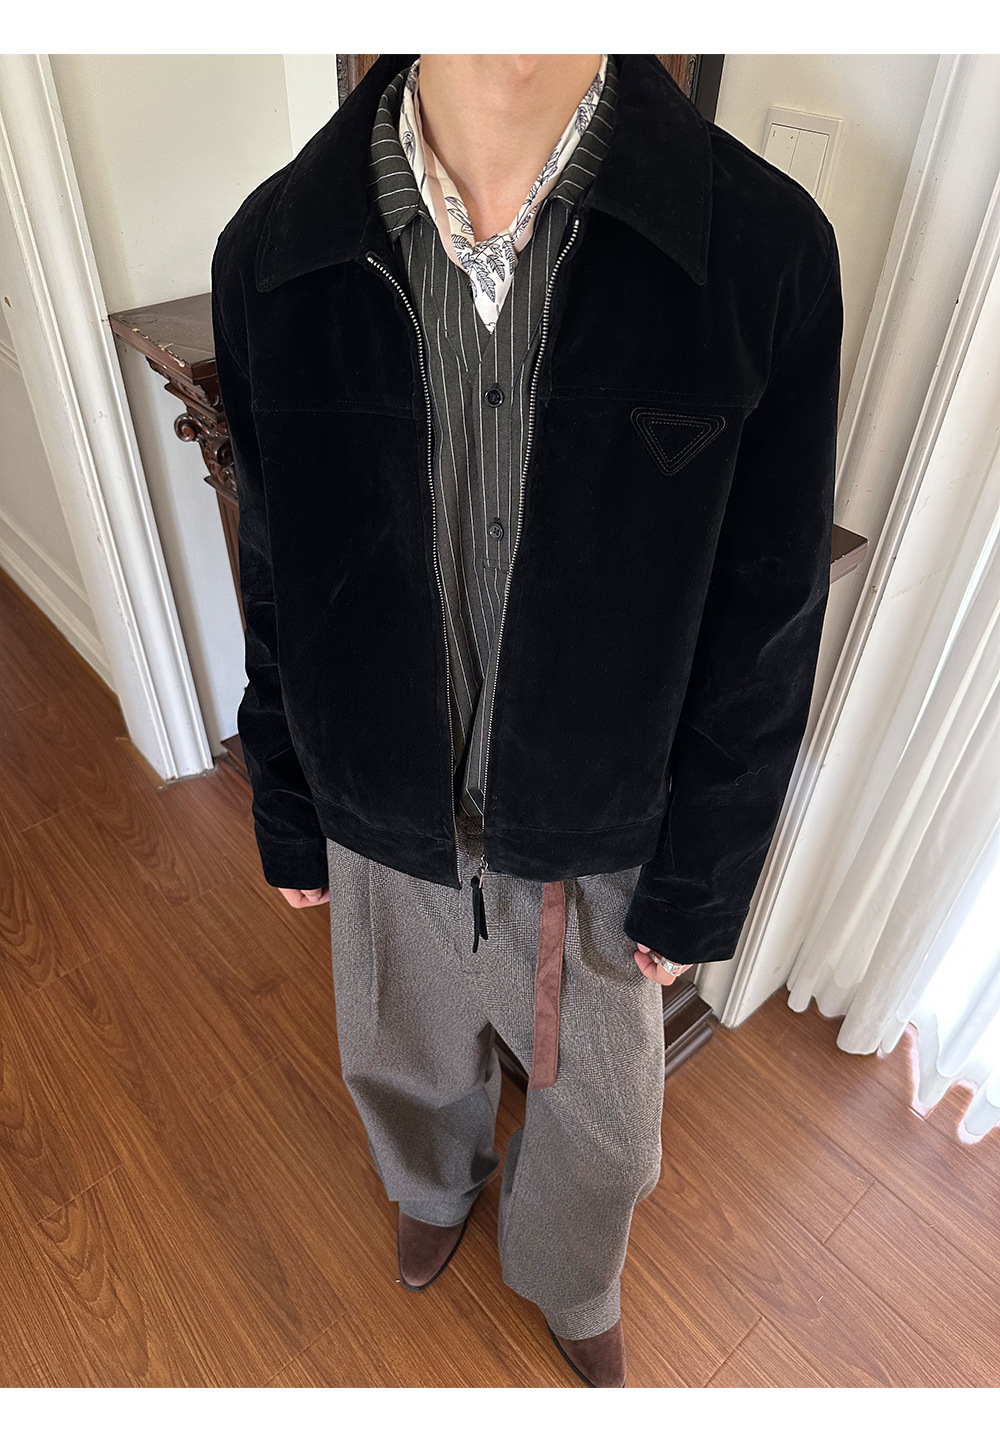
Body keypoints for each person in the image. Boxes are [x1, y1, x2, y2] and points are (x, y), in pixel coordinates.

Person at [211, 52, 842, 1387]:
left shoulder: (763, 249)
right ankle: (431, 1187)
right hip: (380, 798)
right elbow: (276, 562)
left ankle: (569, 1269)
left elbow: (769, 605)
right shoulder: (270, 250)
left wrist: (707, 873)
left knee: (608, 1128)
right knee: (399, 1047)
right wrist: (287, 799)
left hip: (602, 822)